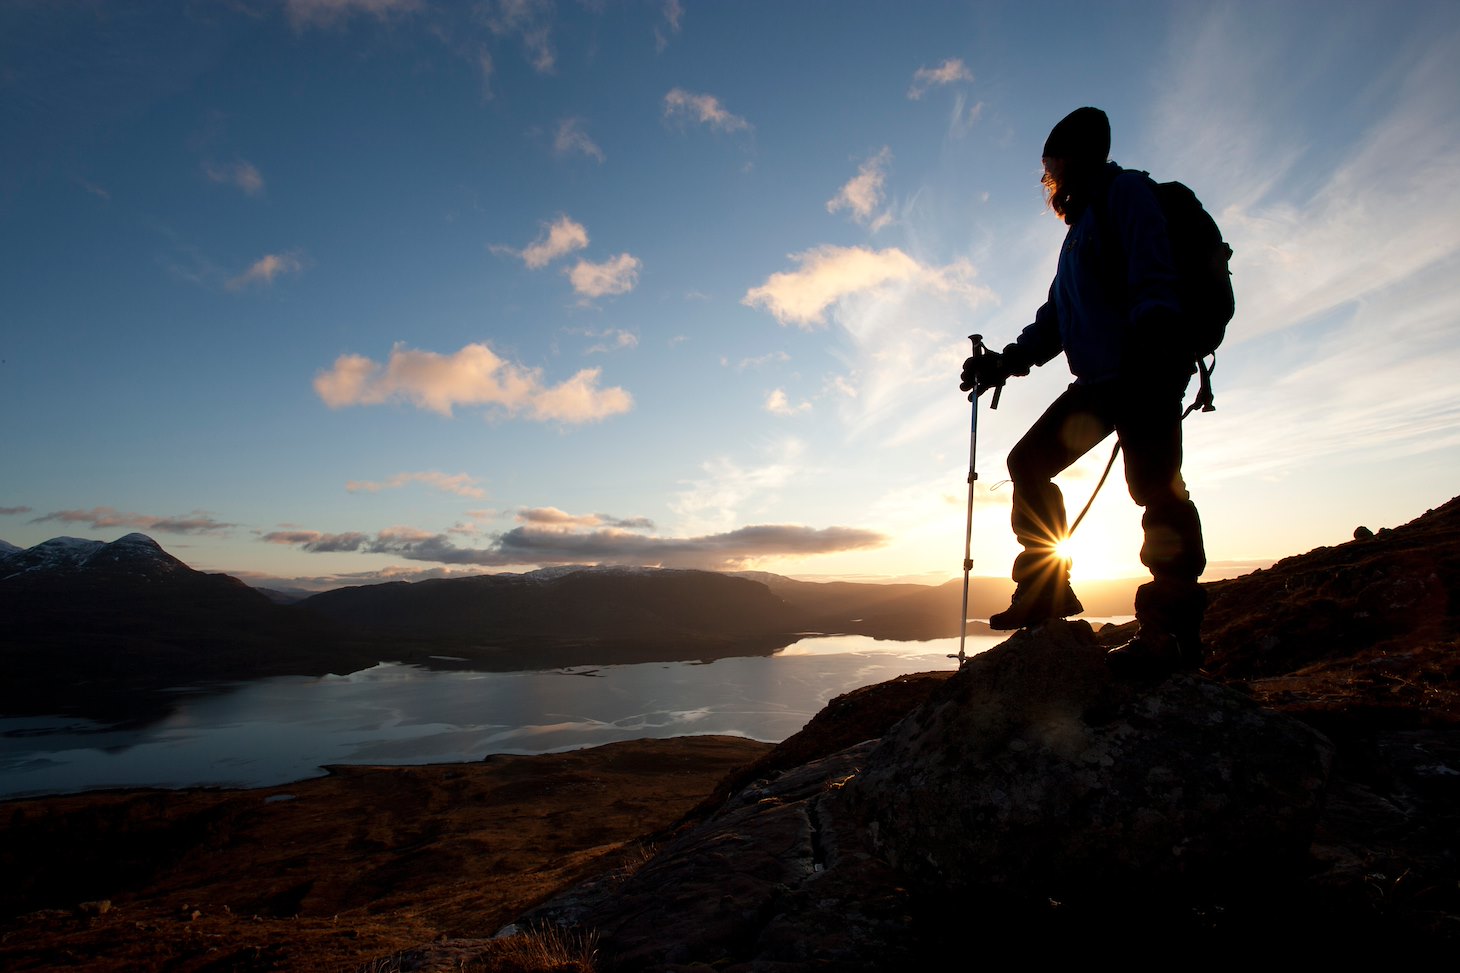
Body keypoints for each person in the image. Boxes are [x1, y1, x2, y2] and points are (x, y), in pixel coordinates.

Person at [959, 107, 1207, 673]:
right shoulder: (1081, 232)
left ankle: (1172, 636)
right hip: (1101, 381)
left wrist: (1156, 339)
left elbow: (1154, 272)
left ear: (1076, 159)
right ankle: (1046, 589)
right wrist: (1006, 362)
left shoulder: (1127, 195)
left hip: (1145, 371)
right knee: (1028, 462)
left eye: (1053, 164)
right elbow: (1055, 319)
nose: (1049, 177)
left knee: (1156, 490)